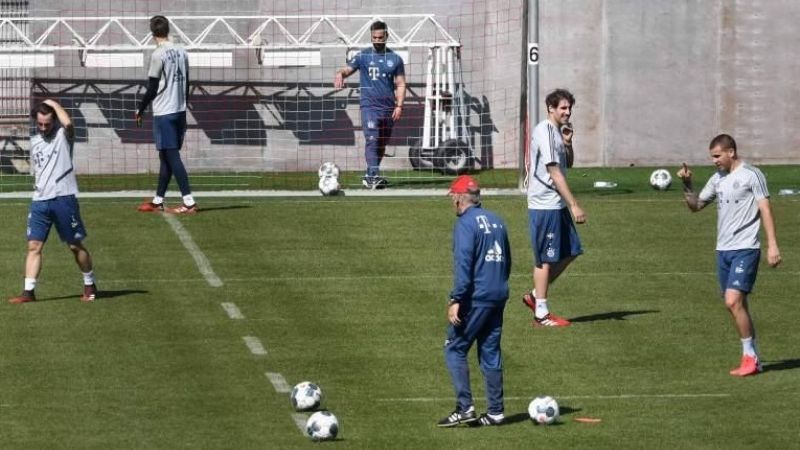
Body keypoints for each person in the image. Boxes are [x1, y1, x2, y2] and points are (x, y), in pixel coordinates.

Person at [677, 134, 782, 377]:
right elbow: (696, 206)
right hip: (723, 250)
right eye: (712, 157)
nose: (714, 161)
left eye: (717, 156)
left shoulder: (751, 175)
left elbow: (765, 208)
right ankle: (753, 357)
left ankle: (750, 358)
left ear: (731, 152)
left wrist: (773, 245)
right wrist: (687, 184)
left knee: (732, 301)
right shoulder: (718, 179)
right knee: (737, 304)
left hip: (746, 248)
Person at [438, 175, 512, 428]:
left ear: (460, 198)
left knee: (455, 348)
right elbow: (508, 261)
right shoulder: (497, 221)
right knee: (490, 352)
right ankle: (496, 412)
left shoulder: (465, 225)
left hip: (476, 297)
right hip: (498, 294)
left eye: (452, 196)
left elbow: (464, 264)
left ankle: (465, 407)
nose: (451, 201)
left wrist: (456, 298)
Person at [8, 100, 97, 304]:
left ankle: (89, 283)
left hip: (63, 198)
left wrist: (53, 104)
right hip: (40, 200)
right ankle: (28, 292)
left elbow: (68, 124)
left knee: (74, 245)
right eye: (39, 124)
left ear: (53, 121)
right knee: (34, 246)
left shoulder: (63, 136)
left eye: (47, 124)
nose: (43, 127)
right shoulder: (35, 140)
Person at [522, 88, 585, 327]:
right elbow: (554, 172)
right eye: (563, 108)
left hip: (555, 204)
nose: (568, 112)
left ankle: (534, 296)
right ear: (551, 108)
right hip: (545, 204)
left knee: (570, 252)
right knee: (545, 259)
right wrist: (574, 205)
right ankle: (541, 313)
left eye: (569, 108)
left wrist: (568, 143)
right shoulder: (545, 131)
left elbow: (566, 162)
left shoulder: (557, 133)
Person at [333, 20, 406, 189]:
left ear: (387, 36)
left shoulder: (395, 59)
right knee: (372, 138)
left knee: (381, 142)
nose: (378, 40)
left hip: (389, 108)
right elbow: (346, 69)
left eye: (381, 37)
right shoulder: (363, 56)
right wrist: (339, 74)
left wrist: (399, 106)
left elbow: (401, 83)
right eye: (374, 37)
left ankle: (370, 174)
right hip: (369, 106)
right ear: (371, 37)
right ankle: (374, 176)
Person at [135, 15, 197, 214]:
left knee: (172, 155)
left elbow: (152, 88)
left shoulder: (157, 55)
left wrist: (140, 108)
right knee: (166, 157)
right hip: (179, 111)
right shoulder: (181, 50)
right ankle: (158, 200)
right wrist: (184, 103)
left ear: (152, 33)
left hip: (164, 112)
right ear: (168, 30)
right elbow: (187, 82)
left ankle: (189, 202)